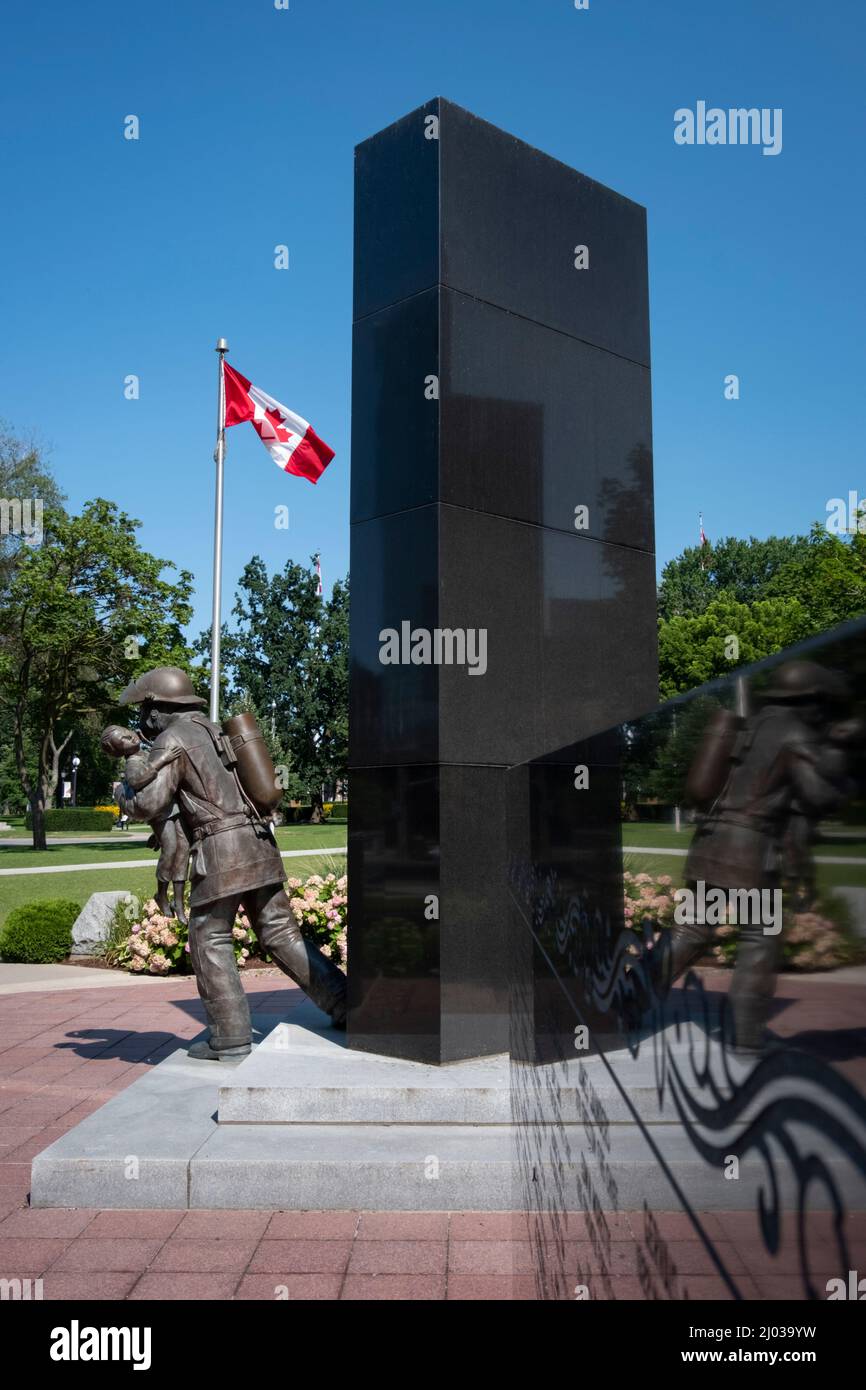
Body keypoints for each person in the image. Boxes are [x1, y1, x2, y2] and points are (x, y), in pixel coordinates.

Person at [115, 667, 347, 1060]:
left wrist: (122, 793)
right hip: (259, 842)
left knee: (208, 937)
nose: (142, 717)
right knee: (280, 932)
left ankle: (230, 1035)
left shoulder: (171, 739)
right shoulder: (211, 728)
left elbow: (150, 803)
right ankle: (344, 1003)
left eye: (144, 708)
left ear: (155, 710)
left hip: (222, 852)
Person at [668, 660, 855, 1053]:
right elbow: (817, 797)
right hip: (750, 856)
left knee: (689, 933)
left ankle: (625, 1001)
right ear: (810, 701)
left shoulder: (752, 725)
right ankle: (747, 1041)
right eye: (822, 706)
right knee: (761, 940)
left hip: (708, 846)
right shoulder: (795, 732)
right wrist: (840, 750)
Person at [101, 725, 191, 925]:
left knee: (183, 849)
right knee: (171, 849)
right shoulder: (132, 762)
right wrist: (163, 759)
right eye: (123, 741)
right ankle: (161, 894)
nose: (129, 738)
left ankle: (178, 901)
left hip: (172, 805)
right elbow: (137, 780)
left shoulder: (145, 750)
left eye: (127, 733)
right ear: (119, 751)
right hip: (159, 812)